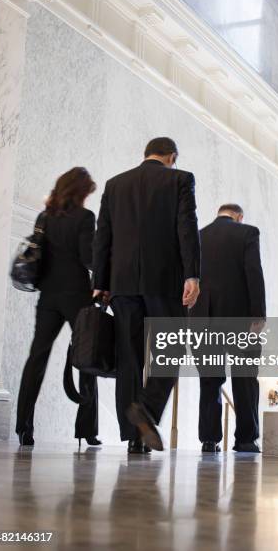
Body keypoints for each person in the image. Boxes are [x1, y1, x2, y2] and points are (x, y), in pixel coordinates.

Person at [93, 137, 200, 453]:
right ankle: (147, 410)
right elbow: (186, 227)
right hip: (164, 279)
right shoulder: (180, 179)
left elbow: (104, 237)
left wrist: (100, 281)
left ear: (146, 154)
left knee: (129, 356)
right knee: (173, 347)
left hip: (122, 283)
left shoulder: (115, 184)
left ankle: (133, 437)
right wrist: (192, 274)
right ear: (172, 156)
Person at [16, 167, 101, 448]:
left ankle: (23, 427)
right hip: (77, 296)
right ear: (82, 191)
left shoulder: (45, 216)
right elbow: (88, 257)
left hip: (48, 297)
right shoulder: (85, 217)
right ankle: (87, 430)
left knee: (36, 358)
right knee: (87, 359)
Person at [191, 204, 266, 453]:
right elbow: (254, 273)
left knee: (209, 380)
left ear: (219, 213)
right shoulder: (247, 233)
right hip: (240, 317)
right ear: (239, 217)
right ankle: (245, 439)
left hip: (202, 318)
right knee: (245, 378)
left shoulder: (198, 235)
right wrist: (259, 315)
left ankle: (209, 440)